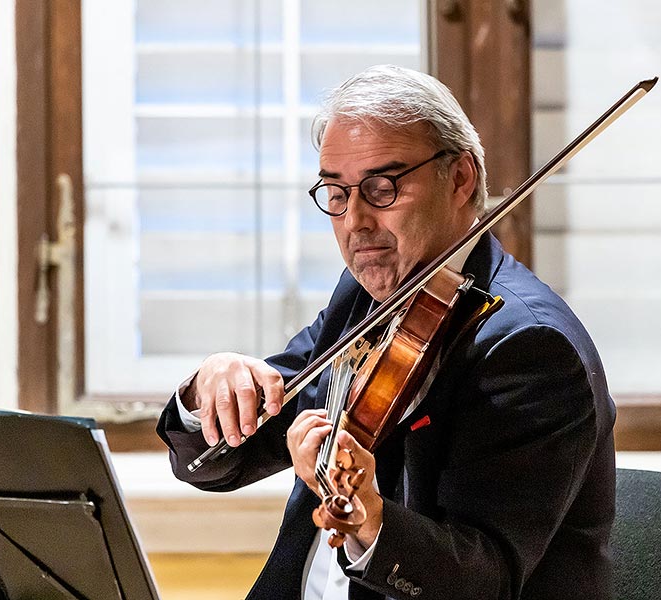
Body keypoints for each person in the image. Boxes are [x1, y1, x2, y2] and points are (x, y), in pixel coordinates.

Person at [157, 65, 616, 600]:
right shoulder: (369, 295)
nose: (355, 221)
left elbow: (486, 579)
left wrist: (373, 526)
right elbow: (213, 464)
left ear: (461, 178)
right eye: (336, 192)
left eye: (382, 188)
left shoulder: (528, 348)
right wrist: (208, 391)